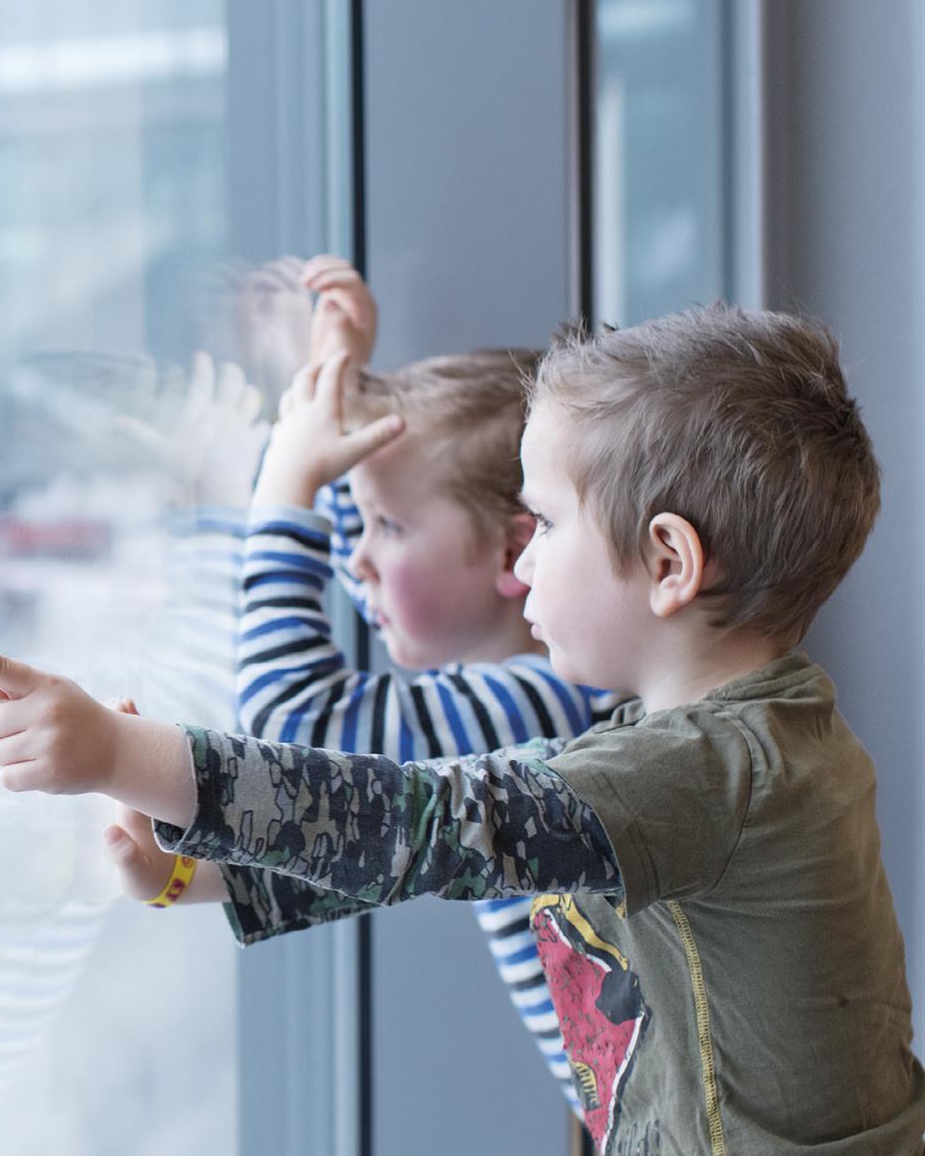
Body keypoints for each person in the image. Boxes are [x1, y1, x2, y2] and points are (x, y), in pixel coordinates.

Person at [0, 303, 925, 1156]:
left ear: (667, 561)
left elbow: (424, 819)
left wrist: (126, 754)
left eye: (546, 525)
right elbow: (445, 849)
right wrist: (199, 871)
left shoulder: (708, 767)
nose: (523, 559)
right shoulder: (688, 741)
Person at [107, 266, 615, 1111]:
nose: (355, 559)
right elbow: (380, 840)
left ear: (508, 553)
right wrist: (335, 383)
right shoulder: (522, 705)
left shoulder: (540, 707)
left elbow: (294, 727)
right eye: (357, 518)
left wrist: (285, 488)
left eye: (389, 528)